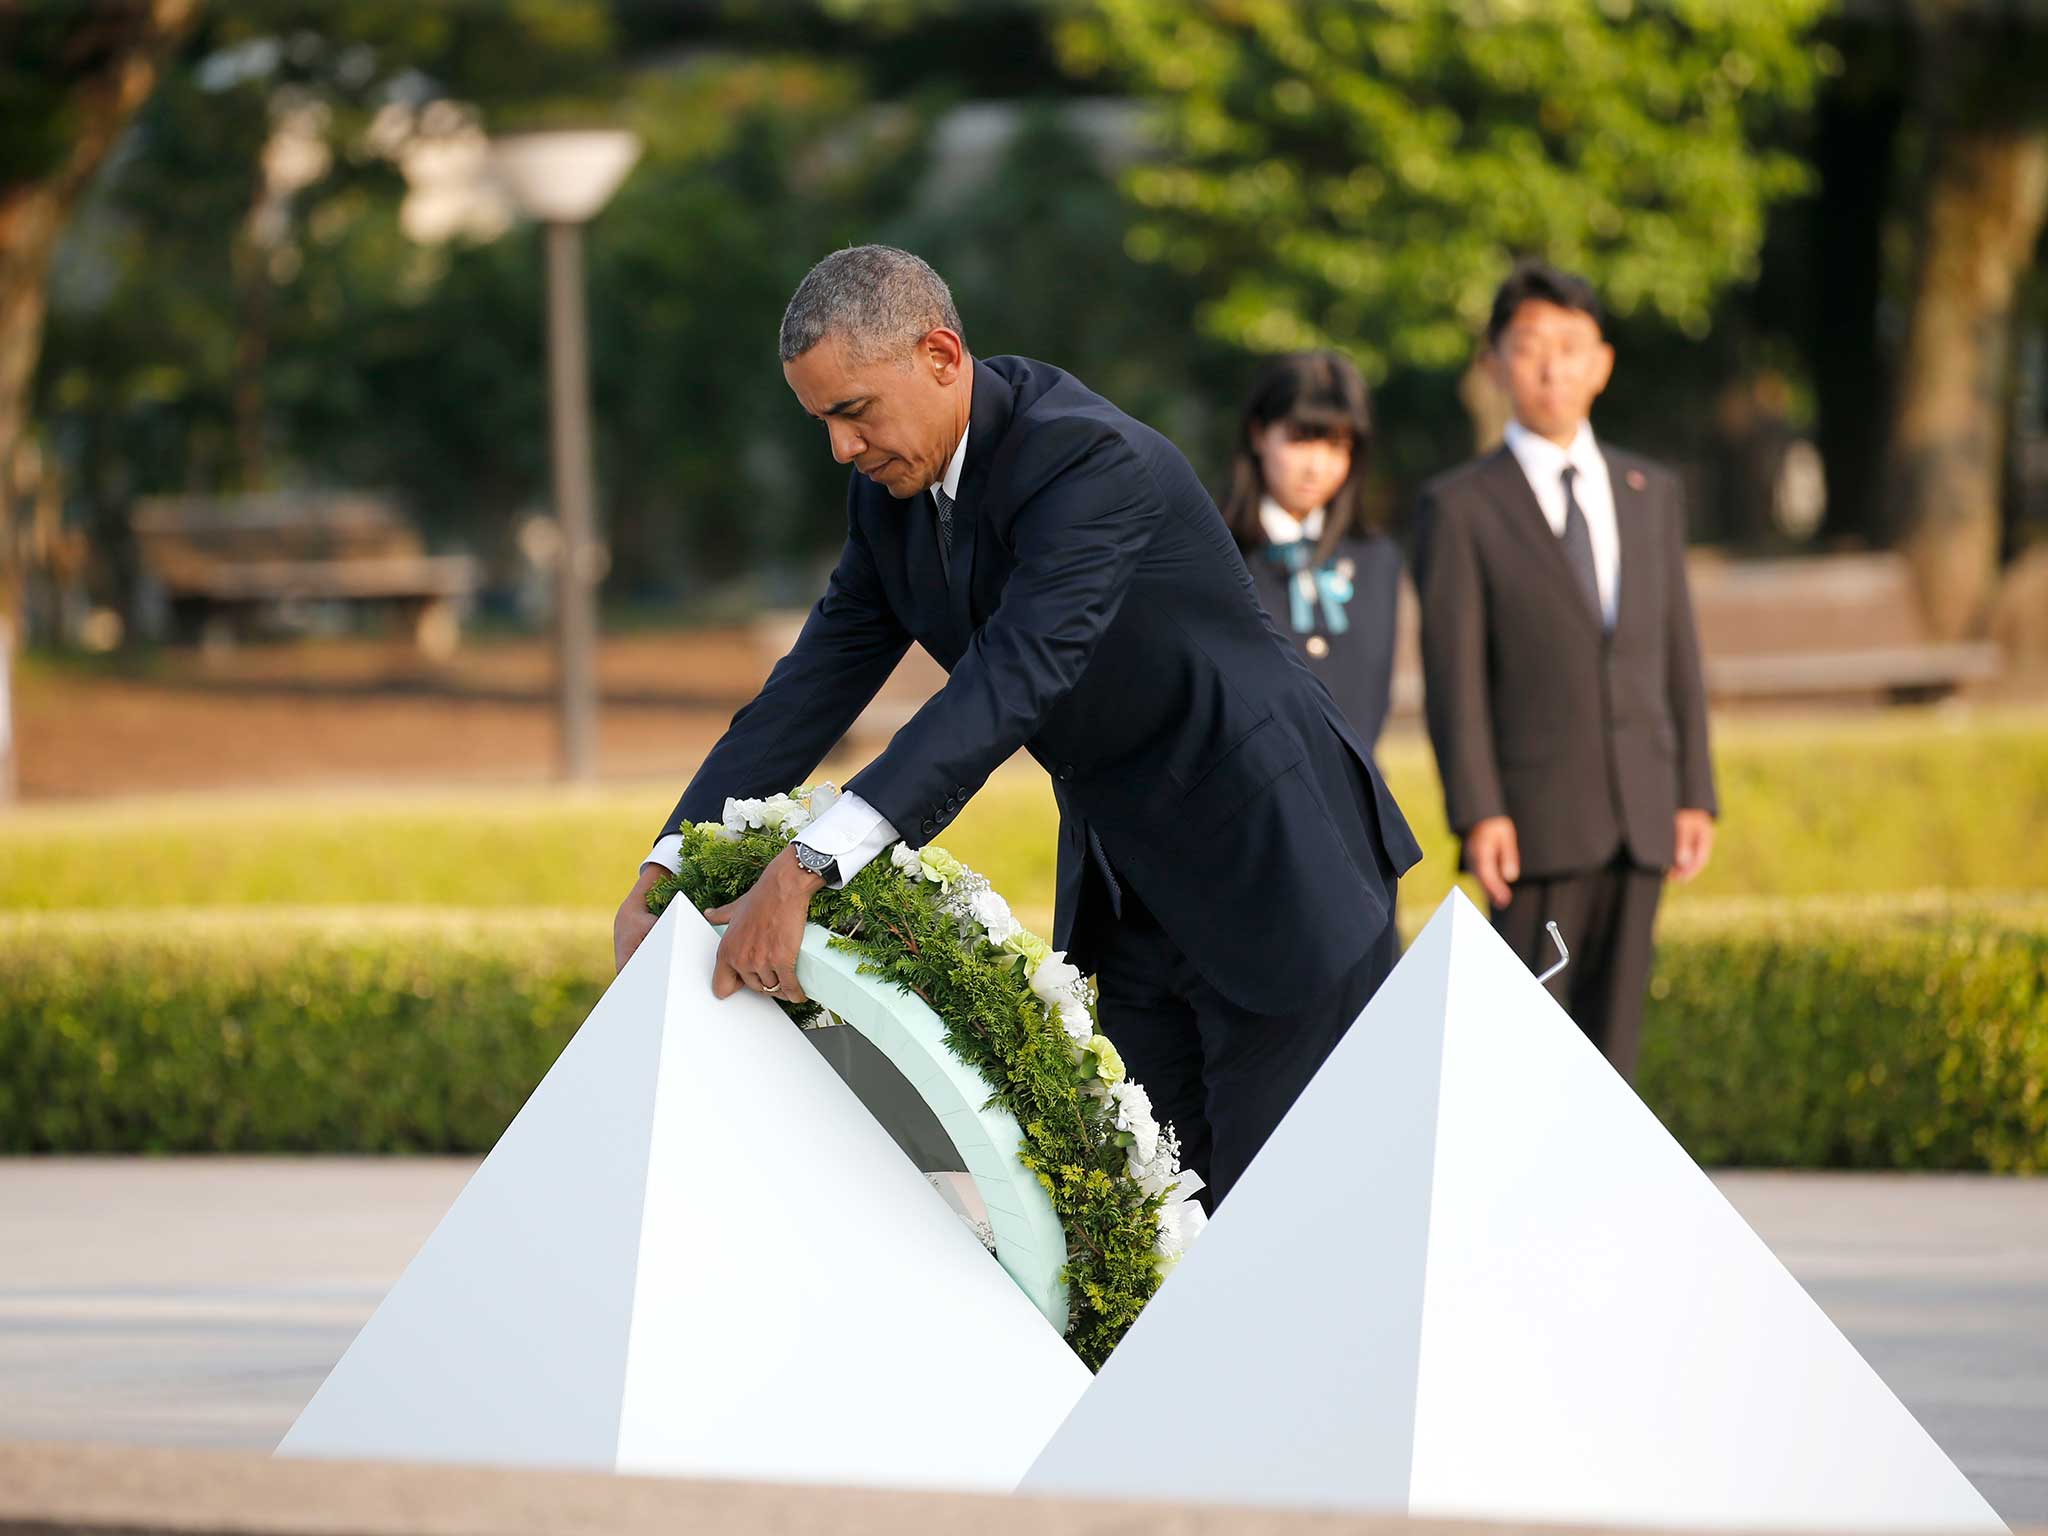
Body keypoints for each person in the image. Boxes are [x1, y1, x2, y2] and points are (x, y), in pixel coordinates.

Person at [614, 245, 1421, 1208]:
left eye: (854, 411)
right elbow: (807, 693)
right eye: (821, 421)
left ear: (942, 356)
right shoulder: (888, 501)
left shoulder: (1088, 459)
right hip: (1127, 892)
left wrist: (807, 867)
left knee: (1280, 1224)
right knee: (1151, 1218)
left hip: (1274, 864)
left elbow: (1012, 681)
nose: (840, 447)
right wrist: (666, 865)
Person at [1412, 263, 1717, 1081]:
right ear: (1495, 363)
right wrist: (1478, 811)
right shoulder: (1461, 506)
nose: (1552, 367)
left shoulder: (1651, 491)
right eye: (1530, 348)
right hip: (1533, 824)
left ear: (1602, 363)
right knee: (1528, 1051)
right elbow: (1455, 676)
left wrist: (1695, 788)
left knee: (1616, 1051)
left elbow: (1675, 647)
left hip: (1644, 808)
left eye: (1571, 348)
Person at [1223, 351, 1403, 756]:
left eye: (1338, 445)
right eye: (1301, 439)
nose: (1317, 466)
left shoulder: (1376, 560)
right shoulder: (1217, 555)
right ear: (1258, 434)